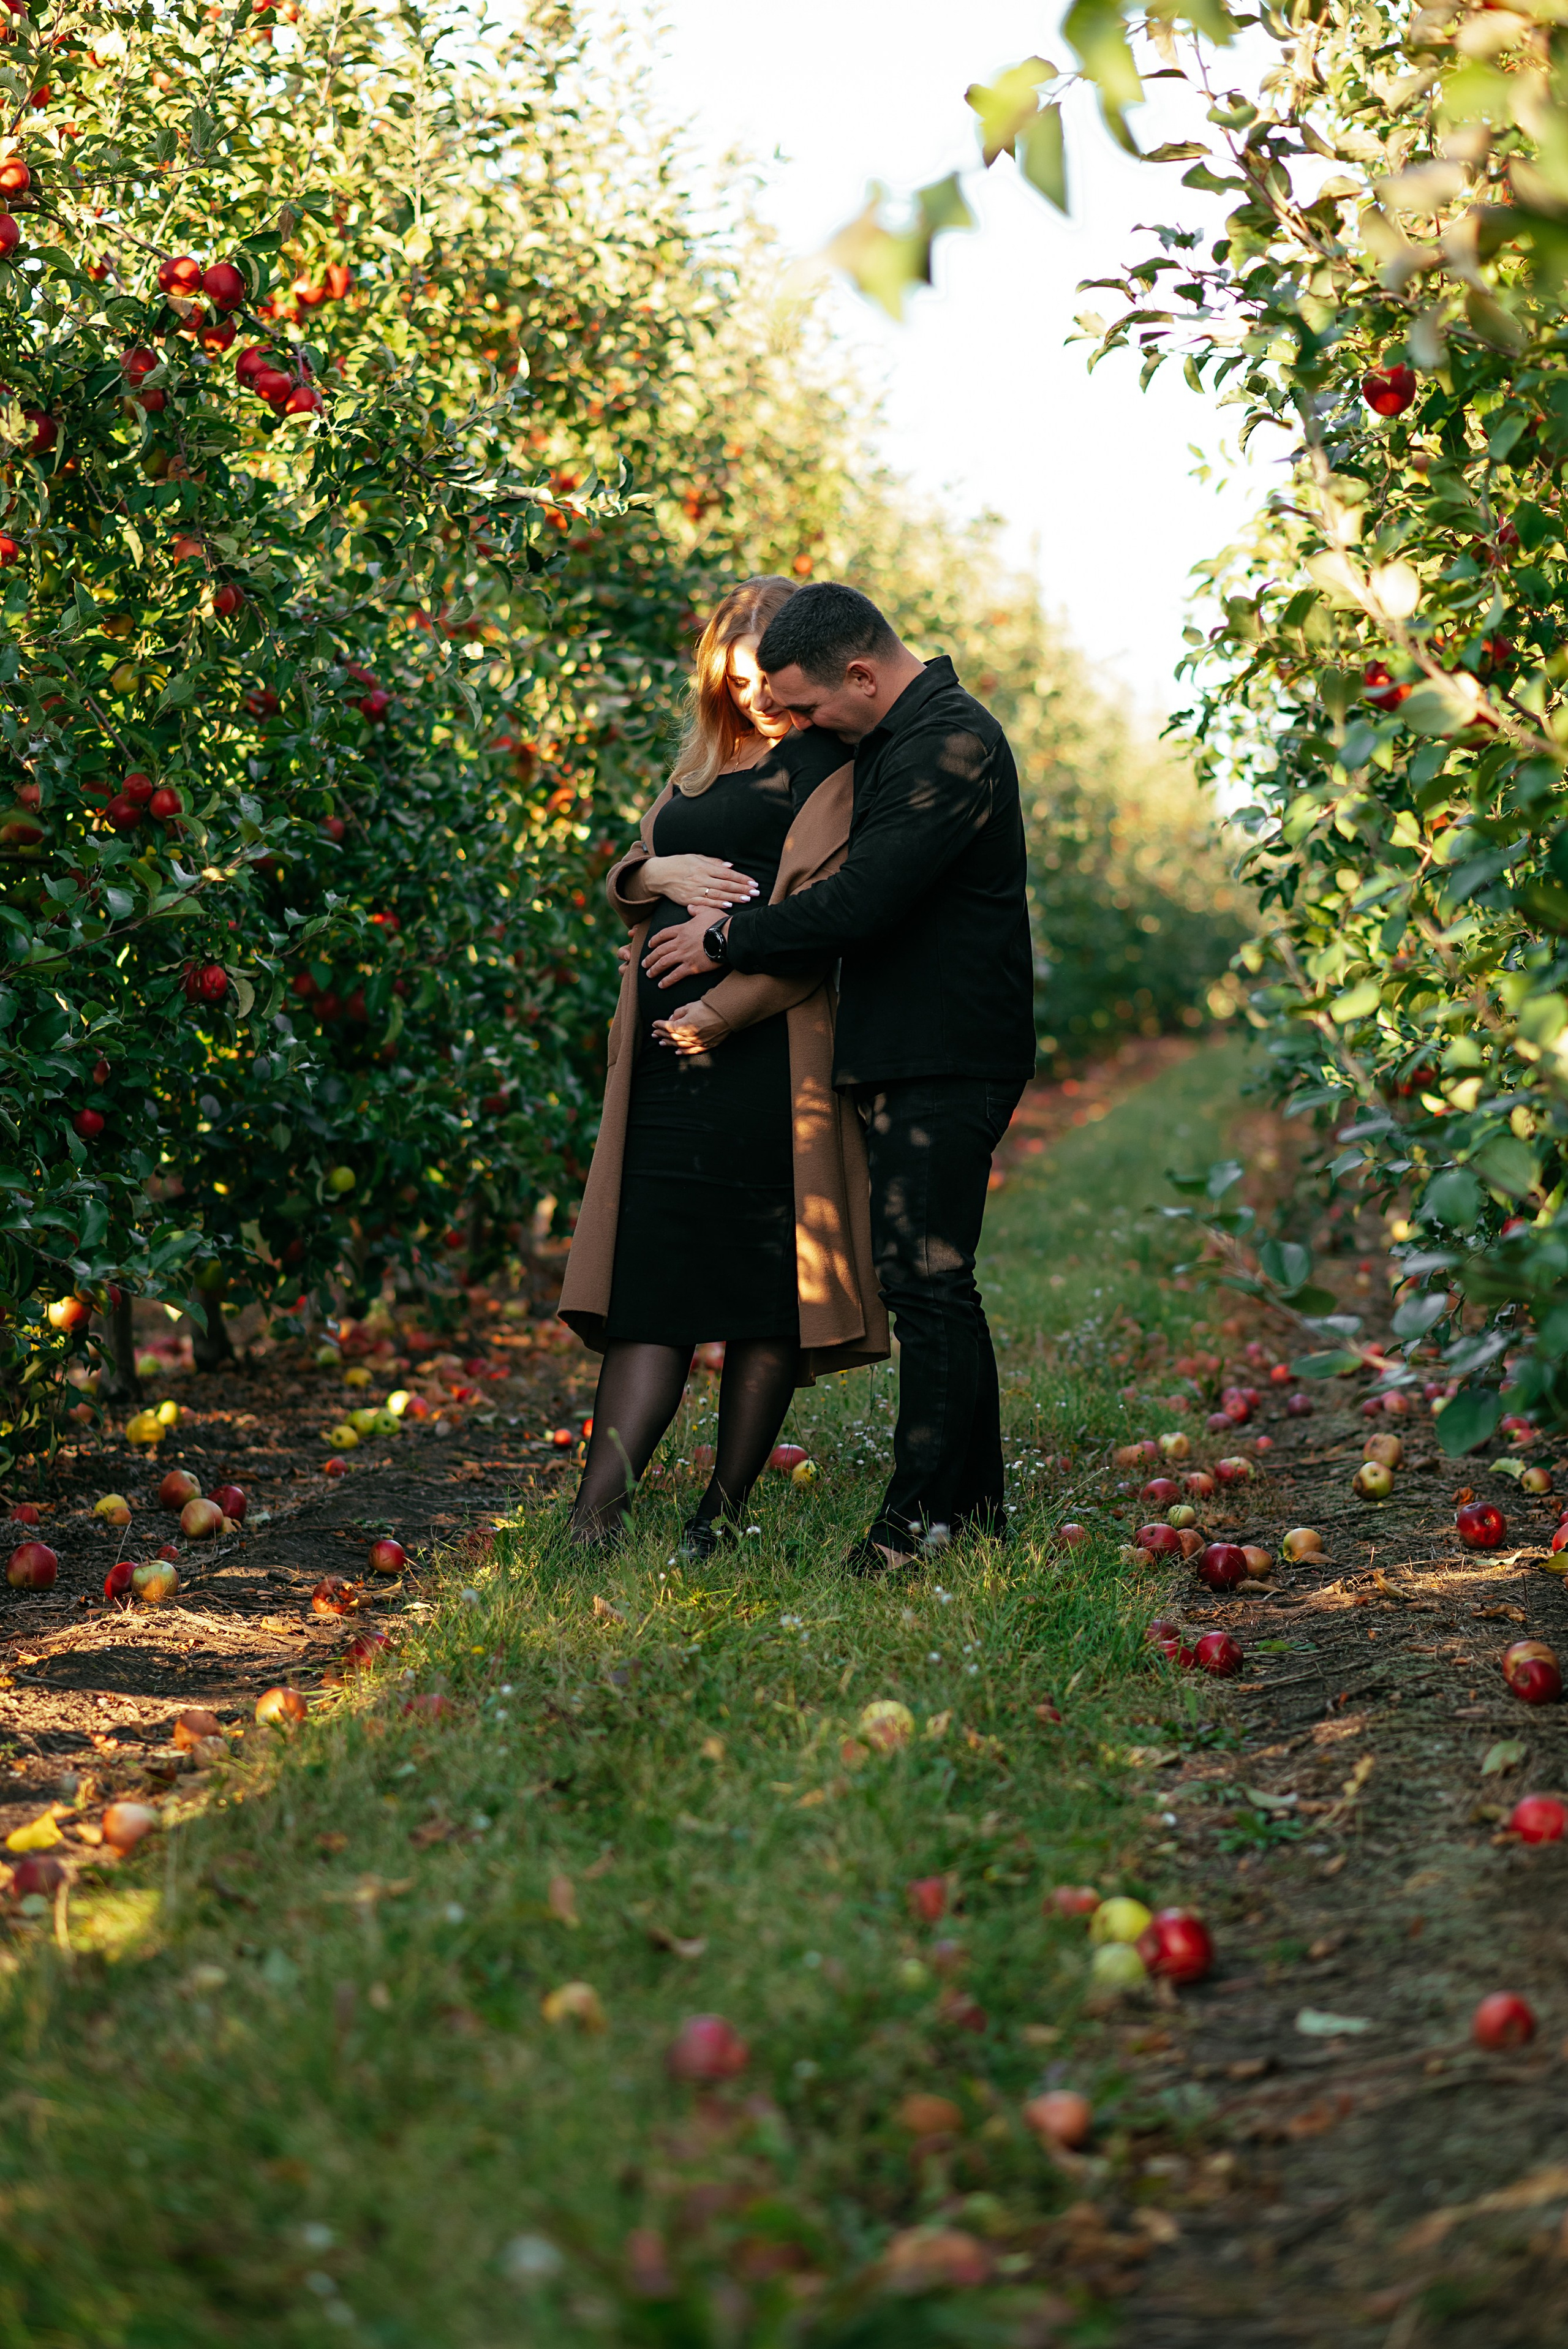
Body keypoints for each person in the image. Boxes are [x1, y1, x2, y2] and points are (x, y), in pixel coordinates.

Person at [642, 580, 1035, 1575]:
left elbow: (865, 901)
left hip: (947, 1050)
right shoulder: (901, 736)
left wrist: (726, 935)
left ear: (861, 674)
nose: (803, 726)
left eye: (812, 708)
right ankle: (974, 1509)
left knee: (928, 1282)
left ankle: (913, 1524)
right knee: (936, 1281)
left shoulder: (950, 745)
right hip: (914, 1047)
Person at [557, 575, 888, 1553]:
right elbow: (637, 863)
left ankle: (722, 1514)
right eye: (739, 680)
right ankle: (593, 1523)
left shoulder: (834, 763)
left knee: (762, 1297)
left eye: (771, 683)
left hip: (768, 1061)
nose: (760, 699)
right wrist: (648, 875)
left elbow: (830, 923)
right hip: (664, 1067)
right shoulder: (701, 765)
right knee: (648, 1293)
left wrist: (723, 1008)